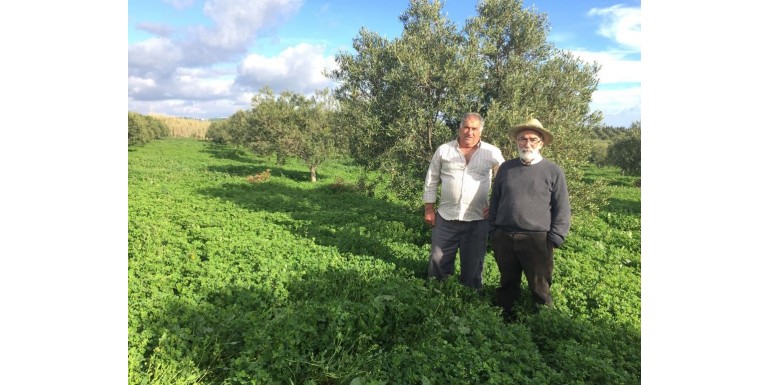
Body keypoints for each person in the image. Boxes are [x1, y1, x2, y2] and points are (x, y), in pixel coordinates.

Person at [488, 118, 571, 319]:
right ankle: (506, 318)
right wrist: (493, 231)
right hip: (505, 236)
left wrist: (555, 238)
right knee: (507, 282)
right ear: (516, 141)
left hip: (537, 240)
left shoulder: (553, 171)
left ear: (541, 143)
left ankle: (544, 323)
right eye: (522, 139)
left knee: (540, 286)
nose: (527, 143)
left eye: (533, 139)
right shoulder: (506, 169)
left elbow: (562, 207)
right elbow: (495, 200)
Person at [422, 112, 505, 290]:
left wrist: (495, 207)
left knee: (474, 264)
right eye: (466, 127)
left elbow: (504, 182)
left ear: (480, 131)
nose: (469, 132)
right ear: (459, 129)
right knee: (438, 260)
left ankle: (471, 297)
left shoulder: (492, 152)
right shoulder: (444, 150)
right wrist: (429, 208)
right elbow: (431, 179)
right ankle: (438, 292)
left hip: (477, 219)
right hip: (446, 217)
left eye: (474, 128)